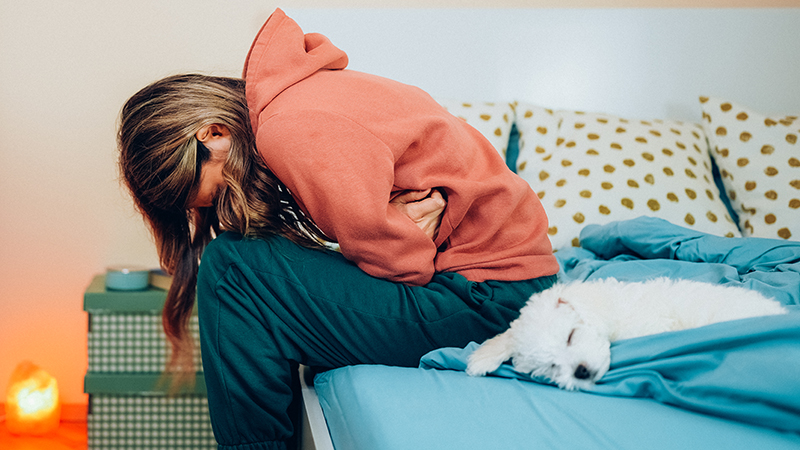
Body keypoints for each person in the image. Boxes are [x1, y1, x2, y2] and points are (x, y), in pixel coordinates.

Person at [118, 8, 558, 450]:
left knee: (231, 268)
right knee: (246, 267)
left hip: (487, 301)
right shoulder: (300, 98)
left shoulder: (291, 129)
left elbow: (405, 268)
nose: (224, 203)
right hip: (495, 289)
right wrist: (391, 228)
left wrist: (395, 235)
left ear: (213, 133)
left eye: (216, 191)